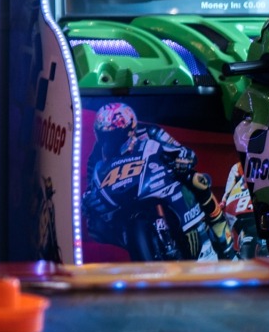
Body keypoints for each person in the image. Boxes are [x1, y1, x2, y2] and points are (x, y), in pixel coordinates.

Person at [82, 102, 234, 259]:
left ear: (130, 129)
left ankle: (218, 224)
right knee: (94, 222)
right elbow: (91, 183)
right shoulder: (97, 153)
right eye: (104, 136)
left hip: (157, 180)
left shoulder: (150, 132)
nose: (109, 142)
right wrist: (88, 199)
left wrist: (183, 159)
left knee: (197, 180)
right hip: (123, 199)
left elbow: (182, 151)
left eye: (114, 136)